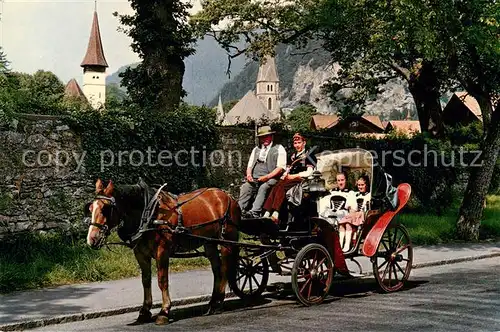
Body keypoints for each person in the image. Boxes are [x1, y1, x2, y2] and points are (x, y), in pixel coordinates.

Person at [262, 132, 317, 223]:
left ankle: (276, 213)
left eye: (299, 143)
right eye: (295, 143)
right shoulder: (292, 156)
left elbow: (309, 172)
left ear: (304, 143)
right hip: (290, 178)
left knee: (282, 186)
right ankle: (267, 212)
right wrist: (285, 175)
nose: (297, 145)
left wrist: (293, 176)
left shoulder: (309, 155)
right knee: (276, 186)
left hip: (301, 179)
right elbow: (288, 168)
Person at [238, 125, 287, 218]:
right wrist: (249, 175)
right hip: (255, 177)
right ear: (260, 138)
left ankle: (254, 212)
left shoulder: (279, 148)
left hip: (271, 177)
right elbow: (250, 165)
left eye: (267, 136)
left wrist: (267, 177)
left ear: (271, 136)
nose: (265, 139)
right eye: (263, 137)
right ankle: (239, 211)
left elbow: (280, 168)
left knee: (263, 187)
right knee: (246, 187)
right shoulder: (256, 149)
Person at [338, 175, 371, 252]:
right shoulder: (355, 194)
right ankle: (340, 245)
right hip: (355, 214)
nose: (360, 187)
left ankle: (347, 246)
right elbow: (352, 207)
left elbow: (367, 208)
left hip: (364, 215)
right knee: (342, 224)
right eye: (359, 185)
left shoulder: (369, 195)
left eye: (362, 185)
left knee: (348, 224)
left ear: (366, 185)